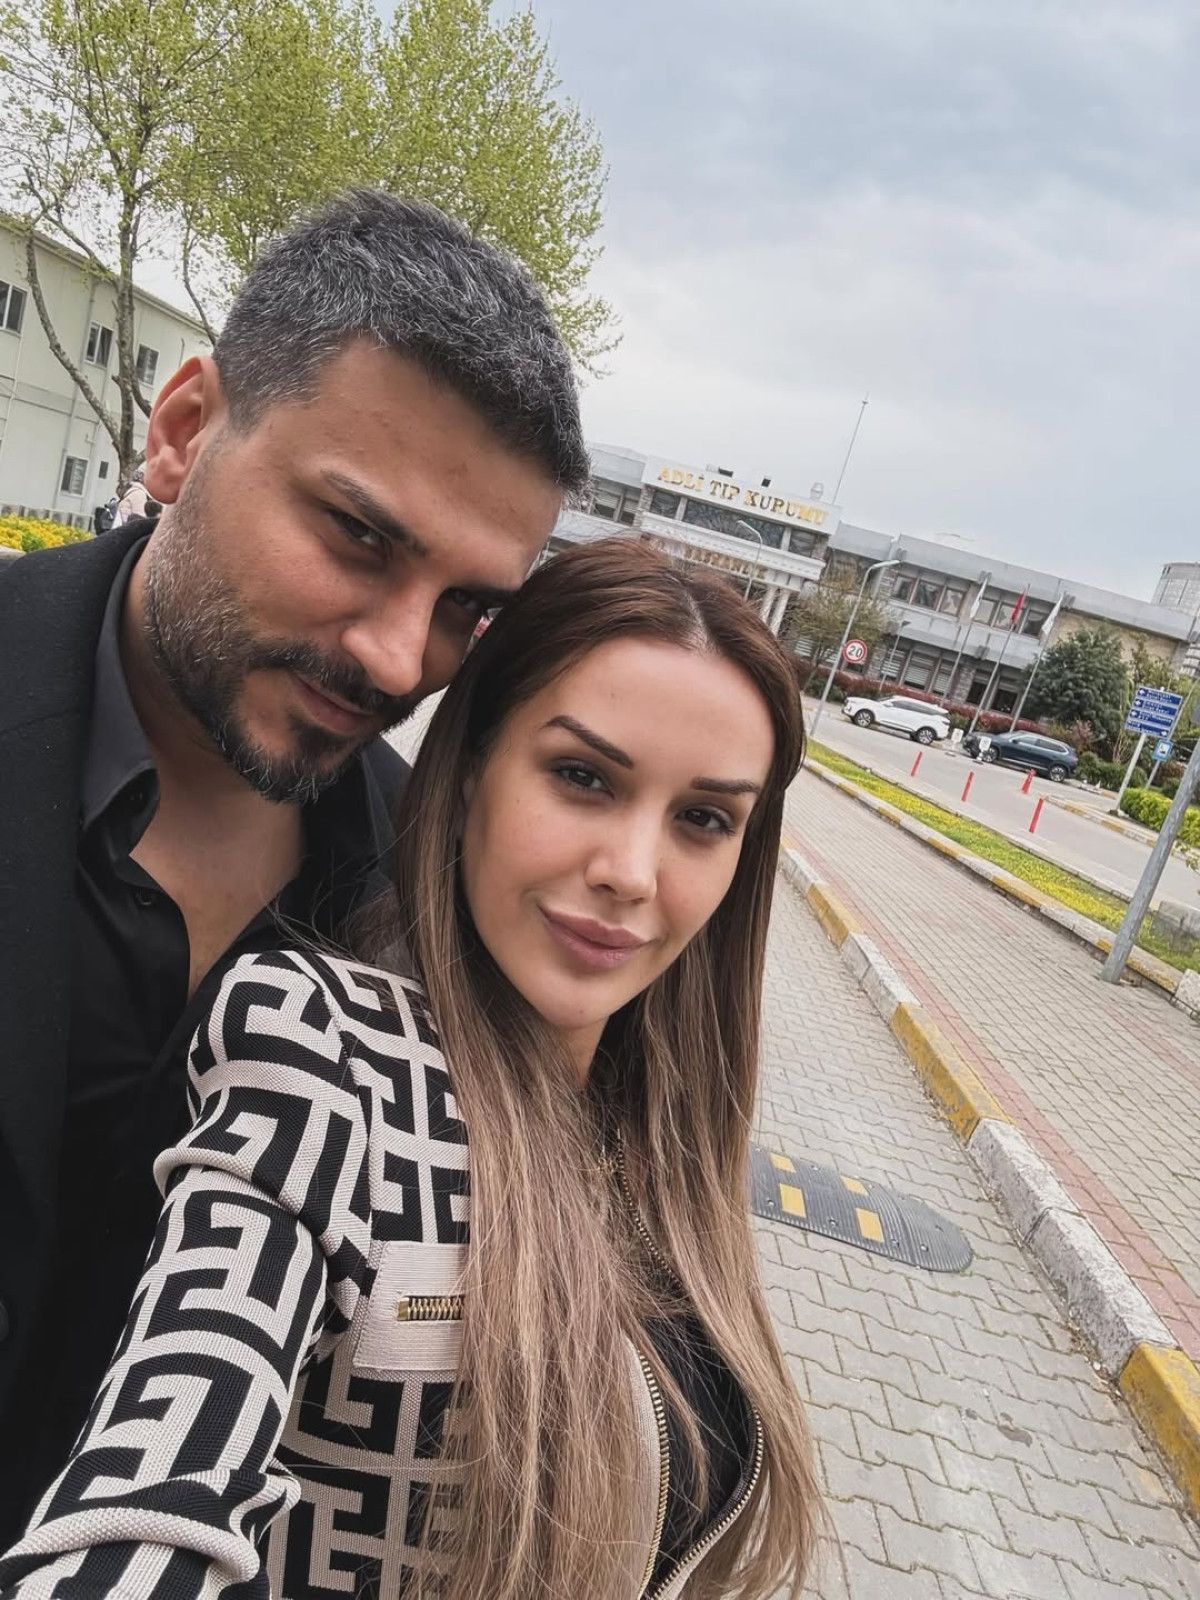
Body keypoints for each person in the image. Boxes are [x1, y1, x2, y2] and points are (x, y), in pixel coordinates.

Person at [0, 539, 823, 1600]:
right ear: (472, 769)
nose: (630, 873)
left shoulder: (668, 1125)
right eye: (582, 778)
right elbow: (164, 1467)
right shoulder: (322, 1053)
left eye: (703, 819)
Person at [0, 187, 583, 1538]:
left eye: (465, 608)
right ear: (183, 430)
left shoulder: (430, 903)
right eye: (358, 537)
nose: (397, 657)